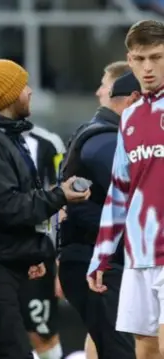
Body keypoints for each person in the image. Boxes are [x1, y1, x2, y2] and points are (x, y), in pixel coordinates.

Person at [0, 58, 90, 359]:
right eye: (22, 86)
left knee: (0, 347)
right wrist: (60, 195)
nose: (29, 91)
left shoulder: (4, 139)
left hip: (6, 259)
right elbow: (8, 207)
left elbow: (16, 205)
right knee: (11, 348)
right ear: (7, 96)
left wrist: (33, 251)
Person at [87, 20, 164, 359]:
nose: (147, 67)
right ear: (129, 61)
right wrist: (102, 253)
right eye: (140, 58)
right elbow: (119, 190)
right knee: (144, 348)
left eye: (157, 57)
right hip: (139, 253)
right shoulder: (130, 118)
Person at [0, 122, 67, 359]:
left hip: (36, 255)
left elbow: (61, 206)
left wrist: (59, 260)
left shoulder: (48, 143)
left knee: (42, 334)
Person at [59, 64, 138, 359]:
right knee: (121, 351)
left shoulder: (103, 135)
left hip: (100, 261)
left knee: (111, 345)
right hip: (97, 264)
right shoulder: (105, 141)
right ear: (133, 100)